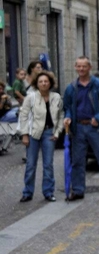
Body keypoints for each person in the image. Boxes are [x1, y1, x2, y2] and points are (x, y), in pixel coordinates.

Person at [63, 56, 99, 201]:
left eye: (84, 66)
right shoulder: (71, 87)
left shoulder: (98, 85)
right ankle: (78, 190)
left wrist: (98, 118)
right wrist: (67, 117)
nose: (81, 69)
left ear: (89, 68)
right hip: (78, 127)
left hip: (95, 128)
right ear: (75, 67)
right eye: (78, 66)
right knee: (78, 161)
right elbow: (67, 107)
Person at [18, 70, 64, 202]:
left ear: (50, 83)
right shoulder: (30, 98)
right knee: (31, 164)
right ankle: (27, 192)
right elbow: (24, 116)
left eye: (46, 81)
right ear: (36, 84)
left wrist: (57, 132)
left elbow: (61, 115)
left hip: (49, 133)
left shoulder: (56, 97)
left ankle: (48, 192)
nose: (43, 83)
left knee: (48, 164)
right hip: (33, 133)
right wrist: (24, 134)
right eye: (41, 81)